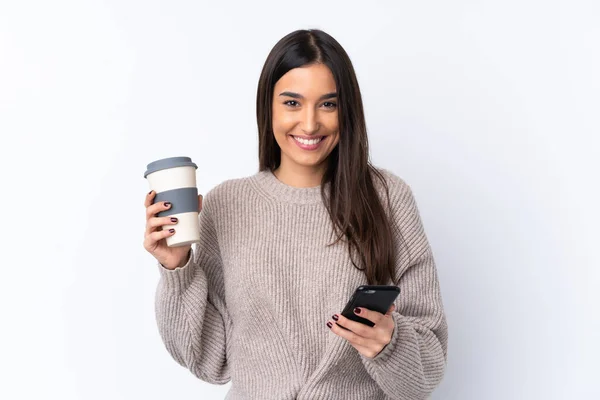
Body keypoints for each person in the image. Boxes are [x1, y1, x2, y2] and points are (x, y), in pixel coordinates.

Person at [143, 29, 448, 400]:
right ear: (267, 107)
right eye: (292, 103)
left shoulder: (386, 198)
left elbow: (426, 372)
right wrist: (178, 269)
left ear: (346, 111)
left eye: (328, 104)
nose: (309, 124)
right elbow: (209, 359)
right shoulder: (227, 205)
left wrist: (389, 344)